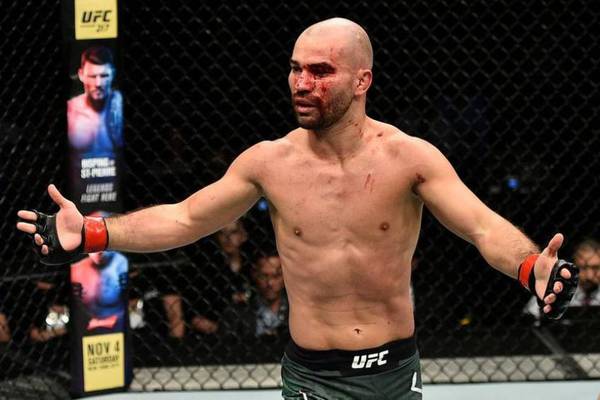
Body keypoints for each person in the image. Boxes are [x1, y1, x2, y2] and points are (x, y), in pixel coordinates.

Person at [17, 17, 579, 400]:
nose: (301, 83)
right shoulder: (270, 162)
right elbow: (187, 218)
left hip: (394, 371)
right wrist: (94, 233)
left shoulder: (410, 158)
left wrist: (531, 266)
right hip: (313, 377)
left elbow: (481, 226)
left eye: (320, 71)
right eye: (295, 68)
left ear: (363, 80)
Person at [190, 219, 252, 335]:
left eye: (233, 232)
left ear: (243, 235)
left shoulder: (251, 267)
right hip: (215, 332)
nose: (227, 238)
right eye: (222, 233)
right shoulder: (207, 269)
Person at [524, 238, 600, 320]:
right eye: (583, 268)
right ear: (574, 266)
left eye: (595, 268)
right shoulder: (555, 290)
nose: (589, 276)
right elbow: (530, 316)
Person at [68, 45, 123, 157]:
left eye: (104, 76)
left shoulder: (121, 106)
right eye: (92, 76)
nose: (98, 83)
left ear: (113, 74)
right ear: (81, 75)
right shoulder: (70, 111)